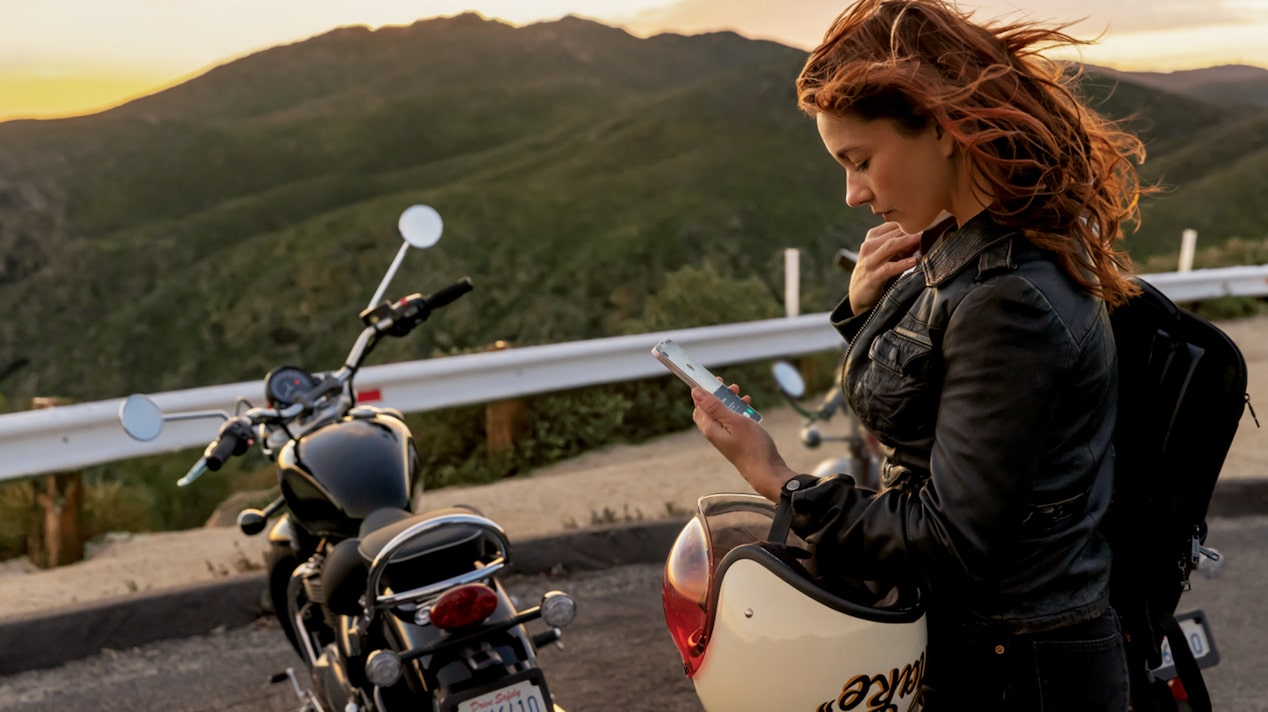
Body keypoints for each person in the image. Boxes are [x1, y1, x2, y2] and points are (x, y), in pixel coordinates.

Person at [688, 0, 1153, 709]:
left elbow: (949, 538)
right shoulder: (972, 251)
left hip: (1020, 668)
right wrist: (867, 311)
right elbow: (940, 407)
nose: (853, 193)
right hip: (996, 646)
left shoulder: (1008, 299)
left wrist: (777, 478)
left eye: (861, 160)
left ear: (942, 127)